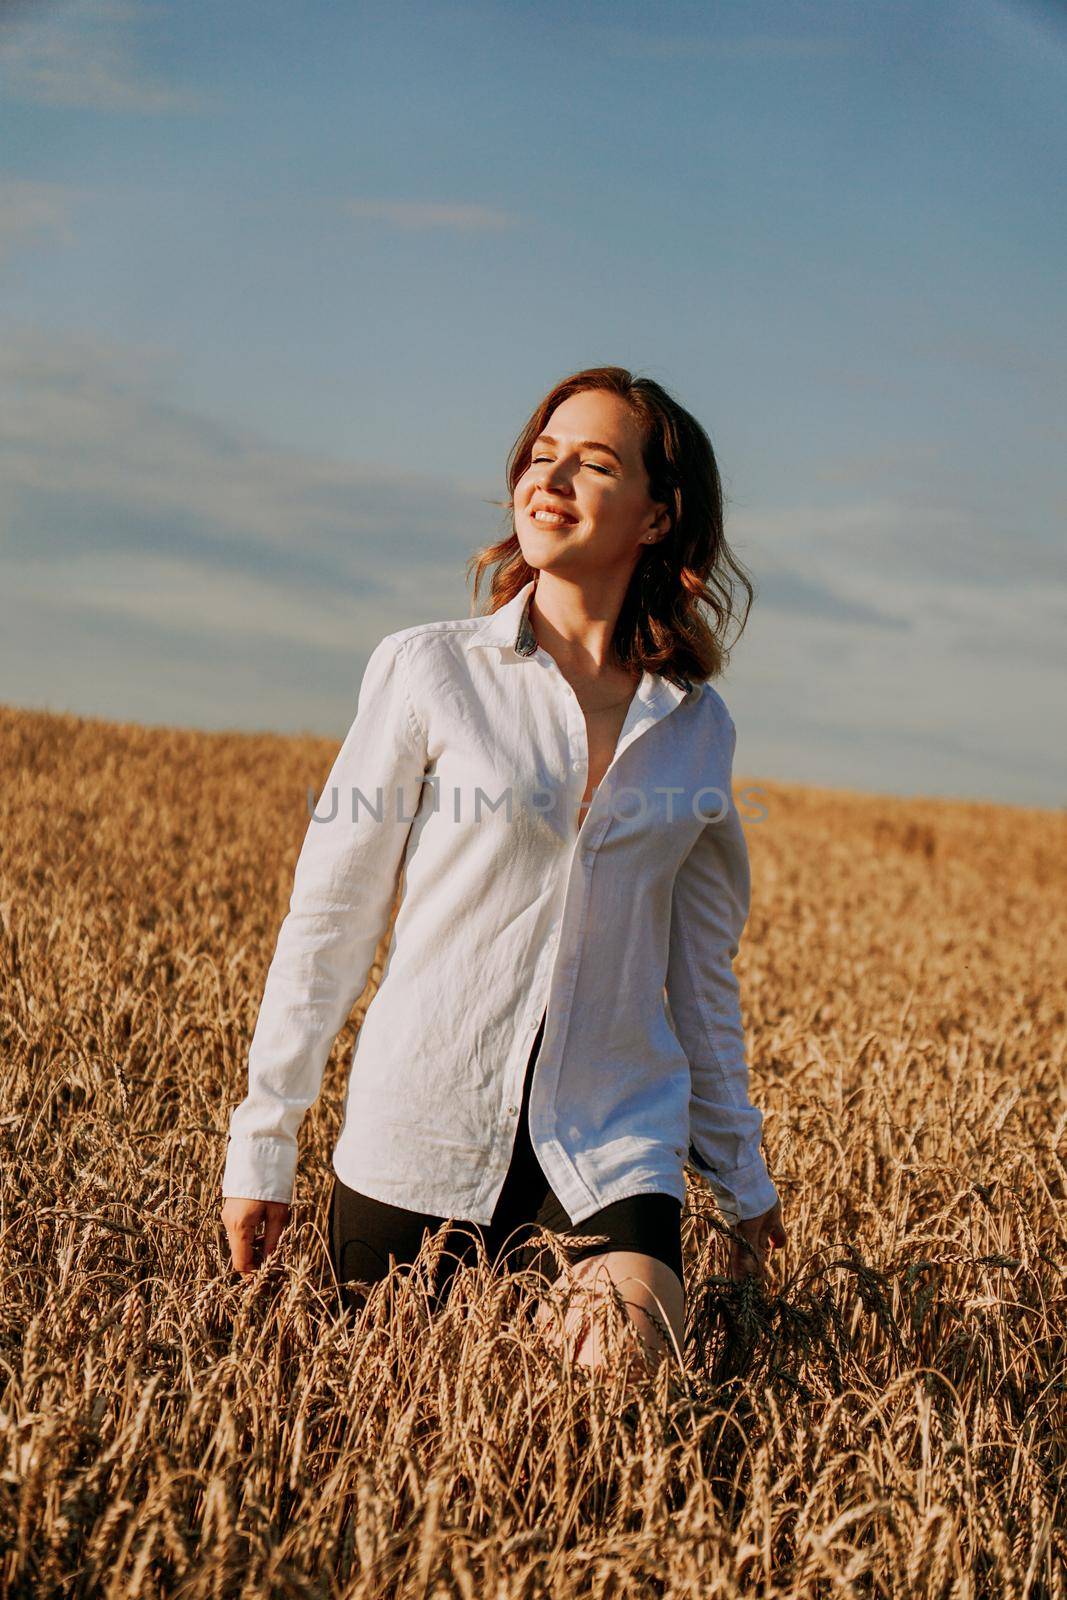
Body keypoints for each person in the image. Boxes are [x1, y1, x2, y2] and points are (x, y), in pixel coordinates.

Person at [221, 364, 787, 1374]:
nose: (550, 476)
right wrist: (265, 1139)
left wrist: (742, 1181)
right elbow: (331, 913)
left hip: (612, 1141)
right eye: (539, 455)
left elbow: (700, 972)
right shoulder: (427, 669)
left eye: (594, 462)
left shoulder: (697, 729)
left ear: (656, 517)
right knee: (408, 1447)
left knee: (617, 1386)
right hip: (419, 1135)